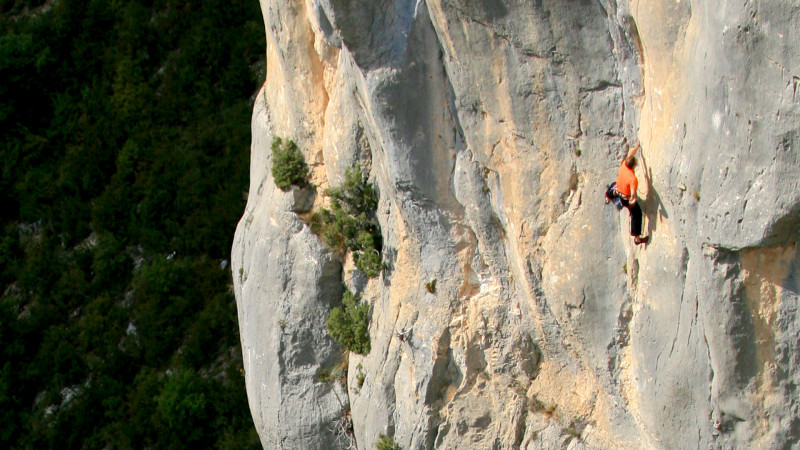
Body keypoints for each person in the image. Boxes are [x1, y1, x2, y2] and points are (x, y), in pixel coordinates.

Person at [605, 141, 649, 245]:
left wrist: (637, 146)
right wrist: (633, 201)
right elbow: (633, 194)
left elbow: (630, 154)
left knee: (614, 185)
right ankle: (637, 239)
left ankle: (608, 196)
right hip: (625, 198)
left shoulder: (624, 164)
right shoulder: (632, 179)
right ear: (634, 166)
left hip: (617, 189)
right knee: (636, 214)